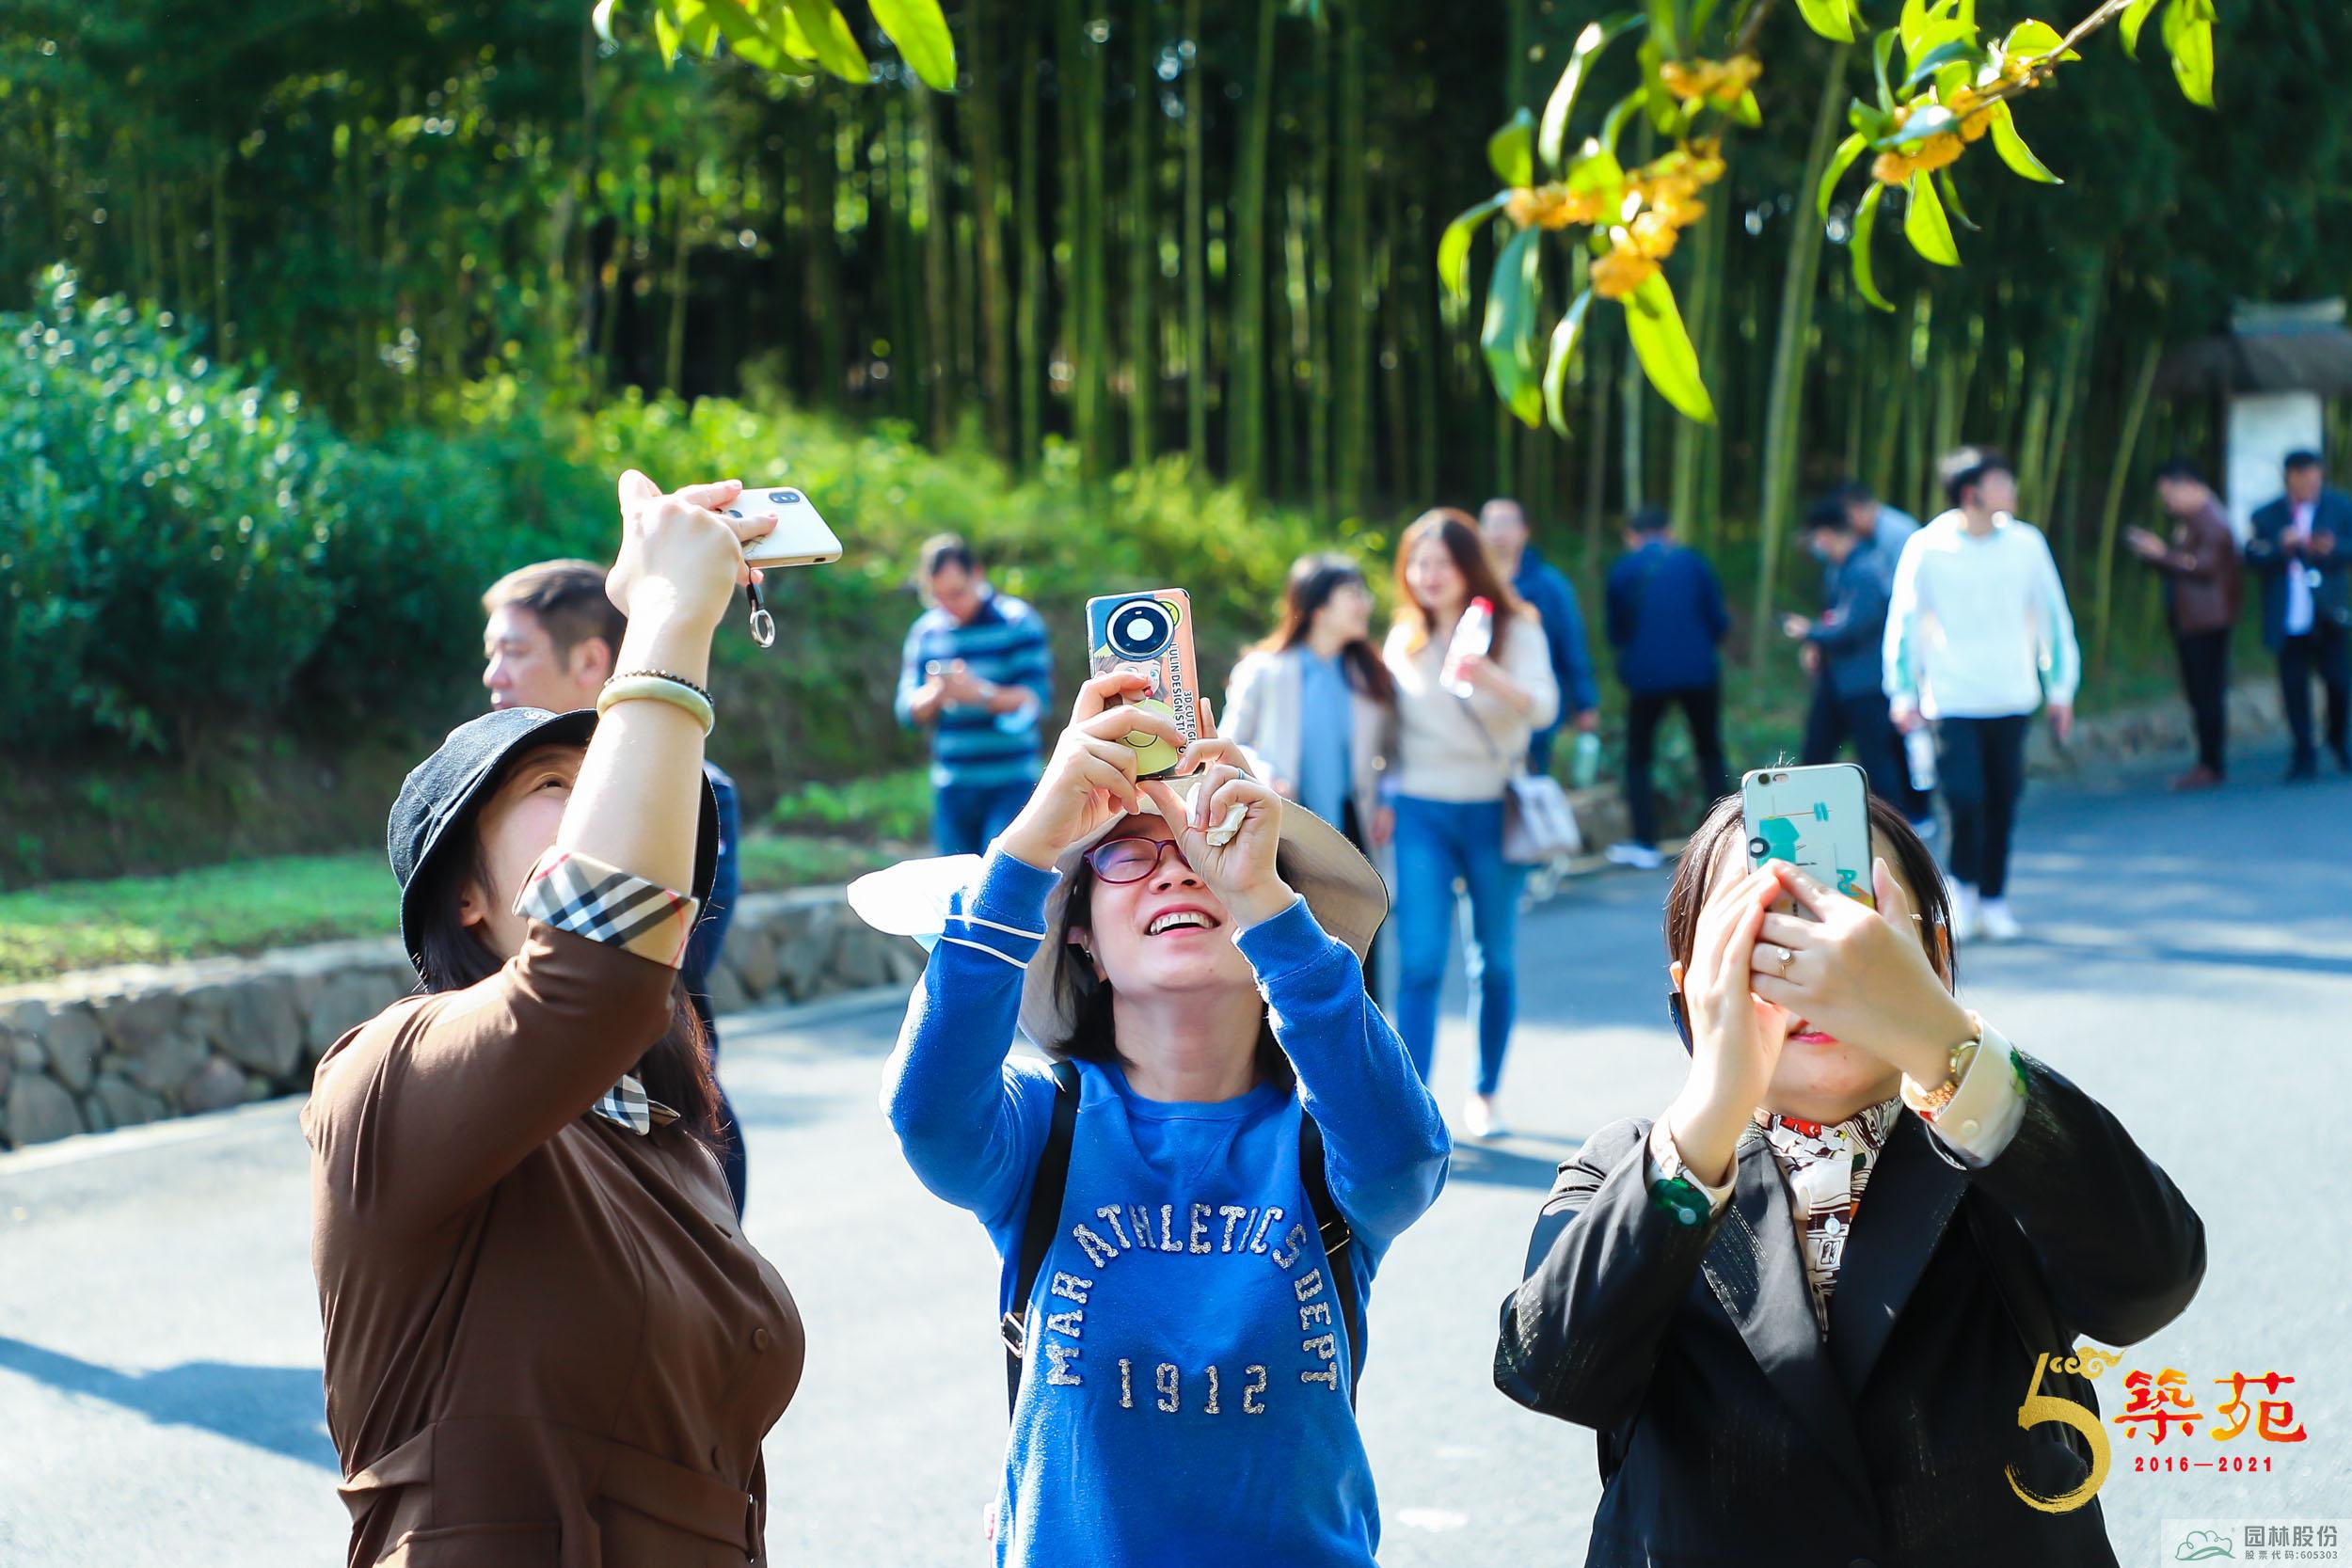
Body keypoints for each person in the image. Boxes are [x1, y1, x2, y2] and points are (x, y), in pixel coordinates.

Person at [1494, 794, 2205, 1568]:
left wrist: (1941, 1039)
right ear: (1692, 984)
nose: (1816, 967)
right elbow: (1550, 1368)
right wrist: (1710, 1109)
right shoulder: (1634, 1166)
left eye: (1850, 920)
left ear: (1931, 957)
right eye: (1765, 930)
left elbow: (2151, 1277)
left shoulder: (1999, 1141)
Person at [308, 474, 804, 1565]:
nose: (600, 807)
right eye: (551, 783)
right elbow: (590, 970)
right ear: (467, 895)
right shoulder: (389, 1076)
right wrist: (668, 624)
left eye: (611, 782)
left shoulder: (671, 1137)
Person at [877, 673, 1449, 1566]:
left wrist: (1261, 899)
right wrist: (1032, 842)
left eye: (1202, 840)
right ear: (1080, 937)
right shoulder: (1044, 1127)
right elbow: (929, 1116)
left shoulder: (1320, 1139)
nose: (1178, 864)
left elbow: (1405, 1158)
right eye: (1126, 854)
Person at [481, 558, 750, 1214]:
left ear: (592, 660)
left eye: (515, 651)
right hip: (528, 1117)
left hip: (666, 1120)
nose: (494, 675)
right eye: (491, 653)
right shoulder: (478, 797)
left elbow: (655, 966)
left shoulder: (695, 793)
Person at [1382, 508, 1559, 1139]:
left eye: (1442, 562)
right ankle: (1414, 1099)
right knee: (1422, 960)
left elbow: (1544, 707)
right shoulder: (1402, 635)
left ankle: (1484, 1092)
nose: (1428, 575)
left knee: (1494, 961)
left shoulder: (1514, 627)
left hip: (1493, 808)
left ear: (1468, 565)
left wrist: (1492, 678)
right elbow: (1384, 728)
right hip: (1420, 811)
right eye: (1418, 563)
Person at [1883, 448, 2079, 943]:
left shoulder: (2026, 543)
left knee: (2003, 801)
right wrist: (1902, 691)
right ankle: (1960, 891)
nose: (2011, 488)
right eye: (2001, 480)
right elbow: (1904, 622)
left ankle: (1994, 899)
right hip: (1952, 697)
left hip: (2012, 694)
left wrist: (2060, 687)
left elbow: (2052, 616)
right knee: (1964, 798)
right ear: (1970, 492)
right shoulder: (1927, 546)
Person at [1222, 554, 1398, 985]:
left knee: (1363, 946)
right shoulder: (1263, 669)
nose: (1365, 604)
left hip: (1353, 830)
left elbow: (1394, 751)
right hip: (1287, 828)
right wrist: (1265, 774)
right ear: (1318, 605)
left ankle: (1363, 1047)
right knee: (1296, 950)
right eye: (1353, 594)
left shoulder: (1368, 673)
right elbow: (1228, 742)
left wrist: (1387, 799)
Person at [895, 533, 1054, 854]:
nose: (948, 605)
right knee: (955, 889)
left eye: (955, 593)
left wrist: (979, 694)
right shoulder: (925, 632)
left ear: (977, 575)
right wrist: (935, 695)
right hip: (953, 786)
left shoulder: (1017, 622)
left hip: (1011, 783)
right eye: (937, 596)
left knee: (1000, 883)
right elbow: (906, 712)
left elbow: (1036, 702)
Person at [1602, 507, 1730, 871]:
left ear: (1631, 536)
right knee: (1709, 750)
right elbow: (1718, 622)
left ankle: (1645, 841)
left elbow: (1616, 633)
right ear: (1669, 532)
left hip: (1647, 676)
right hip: (1699, 673)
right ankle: (1723, 836)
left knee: (1639, 755)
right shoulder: (1694, 563)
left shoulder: (1624, 569)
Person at [2125, 461, 2243, 790]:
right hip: (2197, 620)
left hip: (2206, 621)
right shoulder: (2196, 519)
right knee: (2201, 693)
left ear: (2190, 485)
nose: (2168, 503)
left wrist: (2160, 553)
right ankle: (2208, 761)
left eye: (2170, 494)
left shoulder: (2211, 520)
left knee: (2206, 694)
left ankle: (2211, 764)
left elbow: (2203, 567)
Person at [1786, 499, 1904, 806]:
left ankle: (1899, 833)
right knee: (1815, 756)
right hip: (1837, 680)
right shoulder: (1838, 570)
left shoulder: (1866, 570)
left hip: (1864, 683)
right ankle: (1811, 823)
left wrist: (1809, 631)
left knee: (1876, 762)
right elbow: (1833, 618)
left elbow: (1853, 625)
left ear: (1825, 535)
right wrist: (1817, 642)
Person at [2246, 450, 2352, 780]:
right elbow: (2252, 555)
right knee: (2293, 687)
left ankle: (2338, 738)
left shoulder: (2341, 507)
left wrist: (2331, 548)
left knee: (2339, 682)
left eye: (2315, 478)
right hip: (2289, 614)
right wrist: (2281, 546)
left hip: (2329, 612)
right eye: (2302, 478)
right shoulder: (2267, 515)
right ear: (2289, 477)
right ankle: (2303, 752)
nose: (2310, 485)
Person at [1478, 497, 1600, 776]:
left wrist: (1585, 703)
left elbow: (1572, 645)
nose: (1498, 532)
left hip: (1533, 707)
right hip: (1480, 714)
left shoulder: (1550, 585)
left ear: (1524, 531)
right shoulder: (1468, 582)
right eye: (1490, 524)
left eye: (1506, 524)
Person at [1837, 477, 1921, 571]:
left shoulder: (1894, 532)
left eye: (1849, 517)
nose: (1850, 524)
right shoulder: (1869, 533)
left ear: (1858, 509)